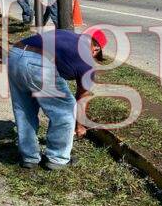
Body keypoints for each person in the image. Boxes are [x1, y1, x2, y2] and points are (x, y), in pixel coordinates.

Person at [8, 27, 107, 170]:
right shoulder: (86, 59)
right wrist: (80, 125)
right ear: (96, 49)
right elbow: (81, 97)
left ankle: (29, 157)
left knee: (24, 109)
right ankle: (57, 159)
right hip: (40, 62)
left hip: (15, 55)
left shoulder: (66, 35)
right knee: (65, 110)